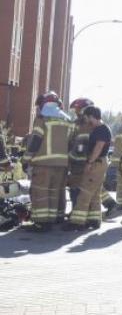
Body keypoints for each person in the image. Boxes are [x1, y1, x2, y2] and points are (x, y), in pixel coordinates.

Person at [23, 93, 73, 231]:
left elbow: (35, 141)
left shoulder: (42, 118)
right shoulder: (68, 119)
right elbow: (71, 143)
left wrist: (25, 160)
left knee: (40, 192)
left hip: (43, 164)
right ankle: (54, 218)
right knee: (55, 192)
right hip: (62, 165)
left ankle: (42, 223)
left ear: (43, 104)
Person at [68, 106, 112, 231]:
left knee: (84, 193)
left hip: (96, 163)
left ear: (91, 116)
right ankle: (94, 220)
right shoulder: (99, 129)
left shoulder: (101, 130)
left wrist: (89, 162)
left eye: (86, 117)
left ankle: (77, 222)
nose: (85, 120)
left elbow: (98, 147)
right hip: (99, 162)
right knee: (95, 194)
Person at [65, 98, 95, 222]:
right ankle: (81, 212)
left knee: (77, 188)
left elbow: (73, 142)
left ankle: (78, 213)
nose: (76, 112)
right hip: (83, 162)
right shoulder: (88, 123)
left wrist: (70, 157)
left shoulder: (84, 124)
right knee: (79, 187)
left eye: (78, 109)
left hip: (80, 162)